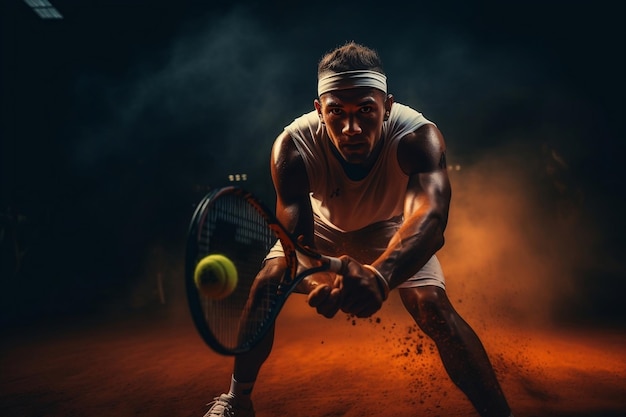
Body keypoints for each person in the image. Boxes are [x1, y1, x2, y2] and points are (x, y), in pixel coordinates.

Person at [204, 41, 513, 417]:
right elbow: (296, 245)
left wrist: (379, 278)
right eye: (337, 112)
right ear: (320, 110)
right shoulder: (292, 147)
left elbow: (431, 224)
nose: (351, 127)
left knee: (430, 303)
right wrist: (324, 285)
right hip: (323, 230)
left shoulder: (418, 137)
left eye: (366, 110)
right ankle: (237, 400)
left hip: (392, 228)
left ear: (387, 106)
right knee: (269, 281)